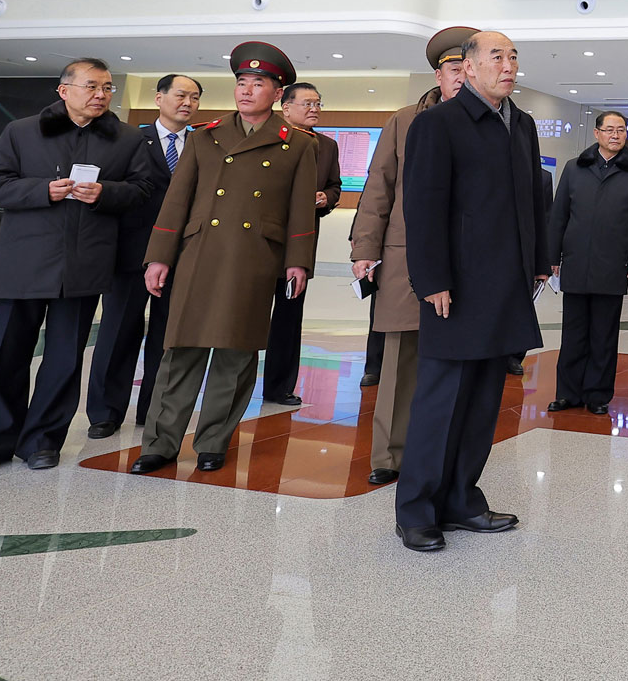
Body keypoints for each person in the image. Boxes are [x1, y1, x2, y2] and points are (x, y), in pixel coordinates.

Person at [393, 30, 552, 552]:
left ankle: (462, 499)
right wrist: (432, 277)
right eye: (496, 57)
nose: (507, 66)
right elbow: (423, 206)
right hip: (455, 289)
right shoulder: (438, 124)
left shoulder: (521, 125)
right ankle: (416, 510)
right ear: (469, 67)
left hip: (506, 286)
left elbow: (533, 199)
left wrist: (538, 263)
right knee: (441, 402)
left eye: (513, 57)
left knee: (484, 401)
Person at [0, 59, 159, 473]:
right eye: (91, 86)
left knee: (65, 359)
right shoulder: (21, 131)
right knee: (7, 355)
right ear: (64, 90)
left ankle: (43, 440)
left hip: (85, 263)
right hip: (25, 261)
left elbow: (143, 190)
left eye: (107, 88)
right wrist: (41, 190)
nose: (101, 95)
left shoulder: (126, 139)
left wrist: (105, 192)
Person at [133, 42, 318, 474]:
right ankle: (160, 443)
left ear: (277, 93)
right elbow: (176, 203)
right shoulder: (205, 136)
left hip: (254, 258)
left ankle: (214, 440)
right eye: (242, 82)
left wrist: (298, 261)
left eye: (259, 83)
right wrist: (158, 257)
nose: (247, 90)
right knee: (180, 351)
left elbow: (300, 210)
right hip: (199, 254)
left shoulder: (297, 145)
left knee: (235, 356)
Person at [350, 26, 474, 486]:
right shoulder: (404, 120)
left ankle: (442, 455)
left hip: (467, 262)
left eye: (467, 68)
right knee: (401, 357)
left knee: (457, 363)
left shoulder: (493, 122)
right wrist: (365, 247)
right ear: (439, 75)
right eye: (452, 69)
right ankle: (389, 455)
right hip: (406, 256)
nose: (460, 77)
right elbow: (377, 186)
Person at [85, 72, 198, 438]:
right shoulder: (131, 139)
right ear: (159, 98)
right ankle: (105, 412)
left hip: (182, 256)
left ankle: (154, 410)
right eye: (180, 95)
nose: (187, 103)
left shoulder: (203, 146)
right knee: (118, 332)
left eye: (194, 98)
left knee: (168, 337)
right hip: (130, 252)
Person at [545, 111, 628, 415]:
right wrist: (553, 256)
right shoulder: (574, 168)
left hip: (613, 263)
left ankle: (597, 395)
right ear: (597, 133)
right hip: (577, 262)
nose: (615, 135)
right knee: (573, 332)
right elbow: (559, 215)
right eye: (609, 130)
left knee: (604, 335)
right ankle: (567, 393)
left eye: (621, 130)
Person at [261, 81, 343, 407]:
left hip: (300, 244)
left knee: (289, 316)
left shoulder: (326, 146)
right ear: (286, 107)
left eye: (318, 104)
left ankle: (280, 386)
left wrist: (327, 197)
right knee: (247, 313)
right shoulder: (268, 138)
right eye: (307, 103)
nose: (314, 109)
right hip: (260, 241)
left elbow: (335, 186)